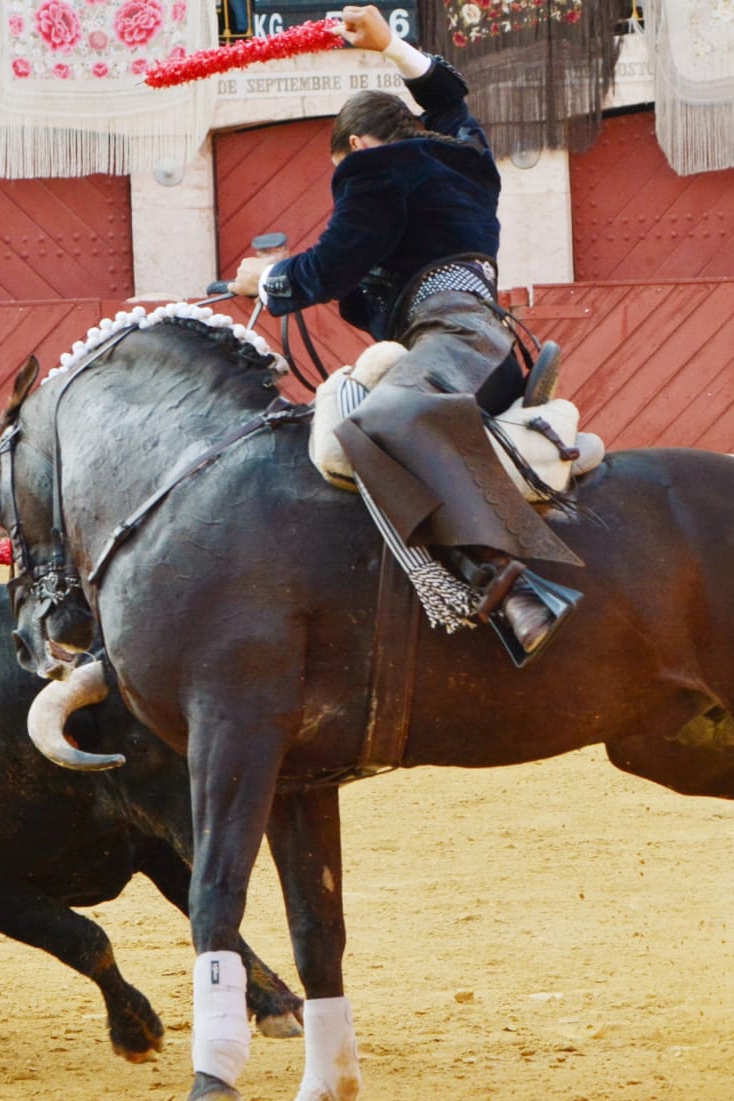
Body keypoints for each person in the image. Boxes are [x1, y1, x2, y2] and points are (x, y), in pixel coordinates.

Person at [231, 3, 580, 660]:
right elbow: (449, 98)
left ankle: (508, 586)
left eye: (341, 170)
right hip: (487, 342)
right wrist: (392, 45)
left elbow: (335, 262)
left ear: (357, 147)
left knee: (371, 428)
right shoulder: (462, 152)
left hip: (454, 338)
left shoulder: (374, 169)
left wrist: (269, 281)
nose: (344, 186)